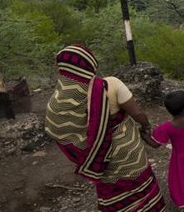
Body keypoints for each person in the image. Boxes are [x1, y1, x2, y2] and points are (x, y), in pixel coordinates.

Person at [44, 44, 165, 212]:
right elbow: (137, 113)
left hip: (100, 163)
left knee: (112, 194)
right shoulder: (109, 85)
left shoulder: (57, 103)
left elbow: (63, 136)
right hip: (127, 154)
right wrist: (145, 126)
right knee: (141, 187)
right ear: (90, 63)